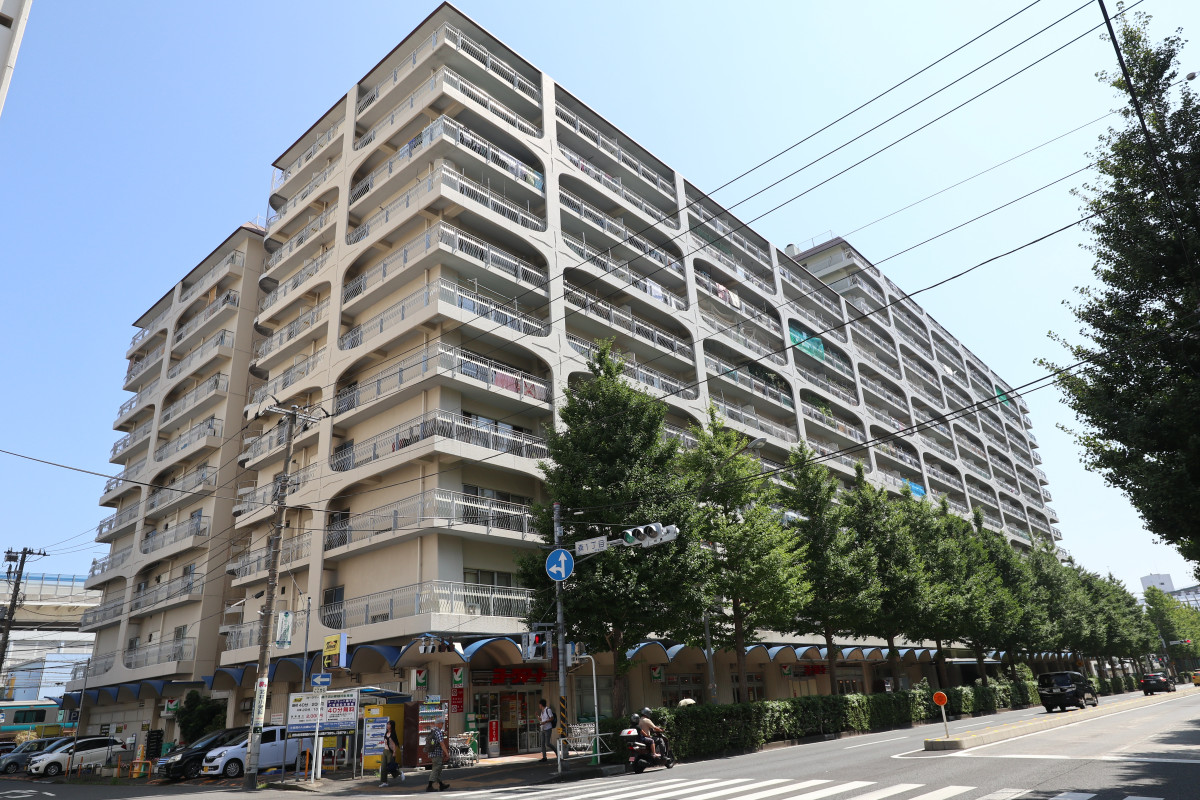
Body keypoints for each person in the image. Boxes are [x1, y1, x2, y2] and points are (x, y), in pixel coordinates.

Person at [426, 717, 450, 792]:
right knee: (436, 769)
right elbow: (442, 744)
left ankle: (441, 784)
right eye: (442, 724)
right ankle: (429, 786)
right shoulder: (438, 732)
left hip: (432, 753)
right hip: (437, 753)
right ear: (439, 724)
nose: (442, 725)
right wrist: (447, 753)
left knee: (438, 769)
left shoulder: (432, 730)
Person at [380, 719, 402, 787]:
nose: (387, 725)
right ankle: (384, 782)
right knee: (383, 767)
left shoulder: (393, 734)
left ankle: (399, 773)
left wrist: (394, 752)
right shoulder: (386, 733)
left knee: (390, 767)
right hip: (385, 751)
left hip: (390, 752)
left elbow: (394, 744)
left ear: (392, 725)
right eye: (387, 724)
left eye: (389, 724)